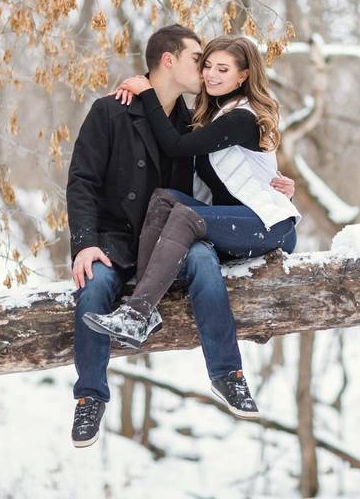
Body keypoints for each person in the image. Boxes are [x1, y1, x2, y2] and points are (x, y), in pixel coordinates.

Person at [66, 25, 294, 448]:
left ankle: (227, 373)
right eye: (199, 61)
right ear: (169, 61)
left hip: (175, 238)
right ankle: (89, 398)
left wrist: (275, 188)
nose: (206, 71)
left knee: (205, 263)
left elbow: (219, 177)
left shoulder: (191, 123)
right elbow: (82, 180)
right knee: (93, 285)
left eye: (216, 66)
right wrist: (85, 242)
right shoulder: (111, 111)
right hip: (116, 240)